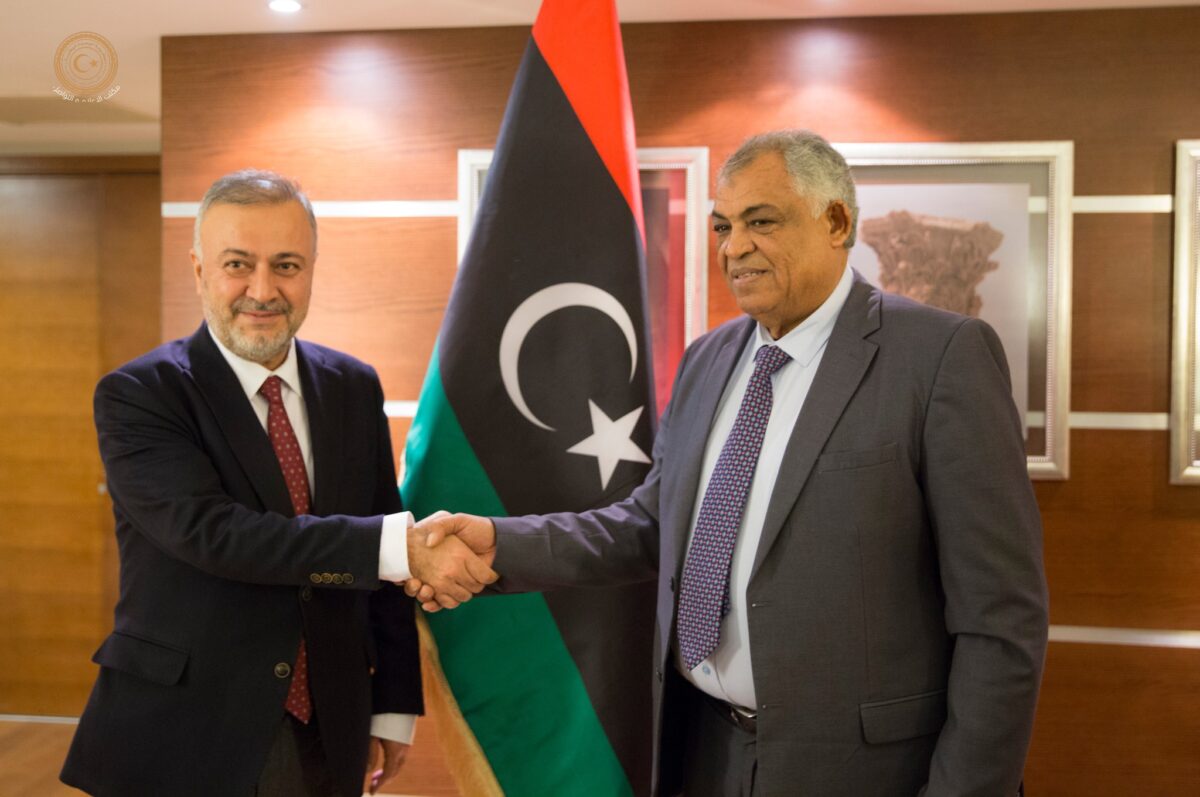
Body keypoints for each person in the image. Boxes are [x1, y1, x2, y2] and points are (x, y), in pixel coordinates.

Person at [408, 130, 1049, 796]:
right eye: (722, 226)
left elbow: (1001, 619)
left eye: (760, 222)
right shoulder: (709, 359)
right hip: (700, 751)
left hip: (861, 772)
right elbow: (650, 524)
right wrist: (499, 544)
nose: (733, 247)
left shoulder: (940, 357)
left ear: (836, 222)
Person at [61, 170, 495, 797]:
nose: (262, 291)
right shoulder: (140, 394)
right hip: (184, 732)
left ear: (312, 269)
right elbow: (217, 535)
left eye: (286, 265)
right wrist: (397, 546)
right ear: (200, 269)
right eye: (238, 264)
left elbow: (383, 543)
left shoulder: (352, 386)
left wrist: (392, 704)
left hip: (331, 726)